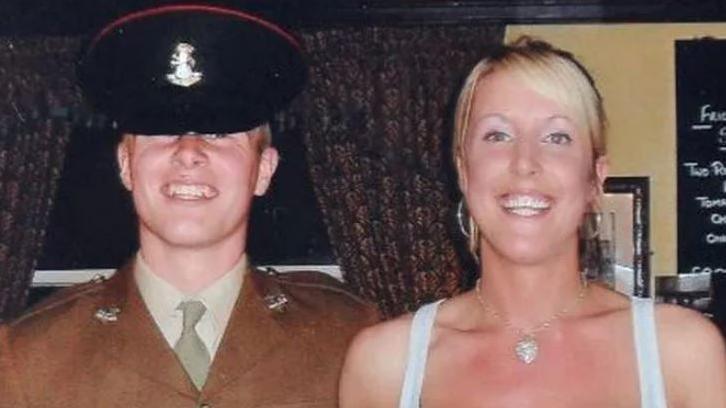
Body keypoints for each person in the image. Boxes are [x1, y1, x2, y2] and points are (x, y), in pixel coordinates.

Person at [0, 5, 377, 407]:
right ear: (126, 166)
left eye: (218, 132)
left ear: (264, 169)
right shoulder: (27, 354)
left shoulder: (349, 334)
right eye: (161, 131)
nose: (188, 151)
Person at [339, 37, 726, 407]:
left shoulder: (680, 353)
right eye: (497, 134)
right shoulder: (386, 364)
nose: (524, 162)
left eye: (557, 137)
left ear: (594, 177)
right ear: (462, 171)